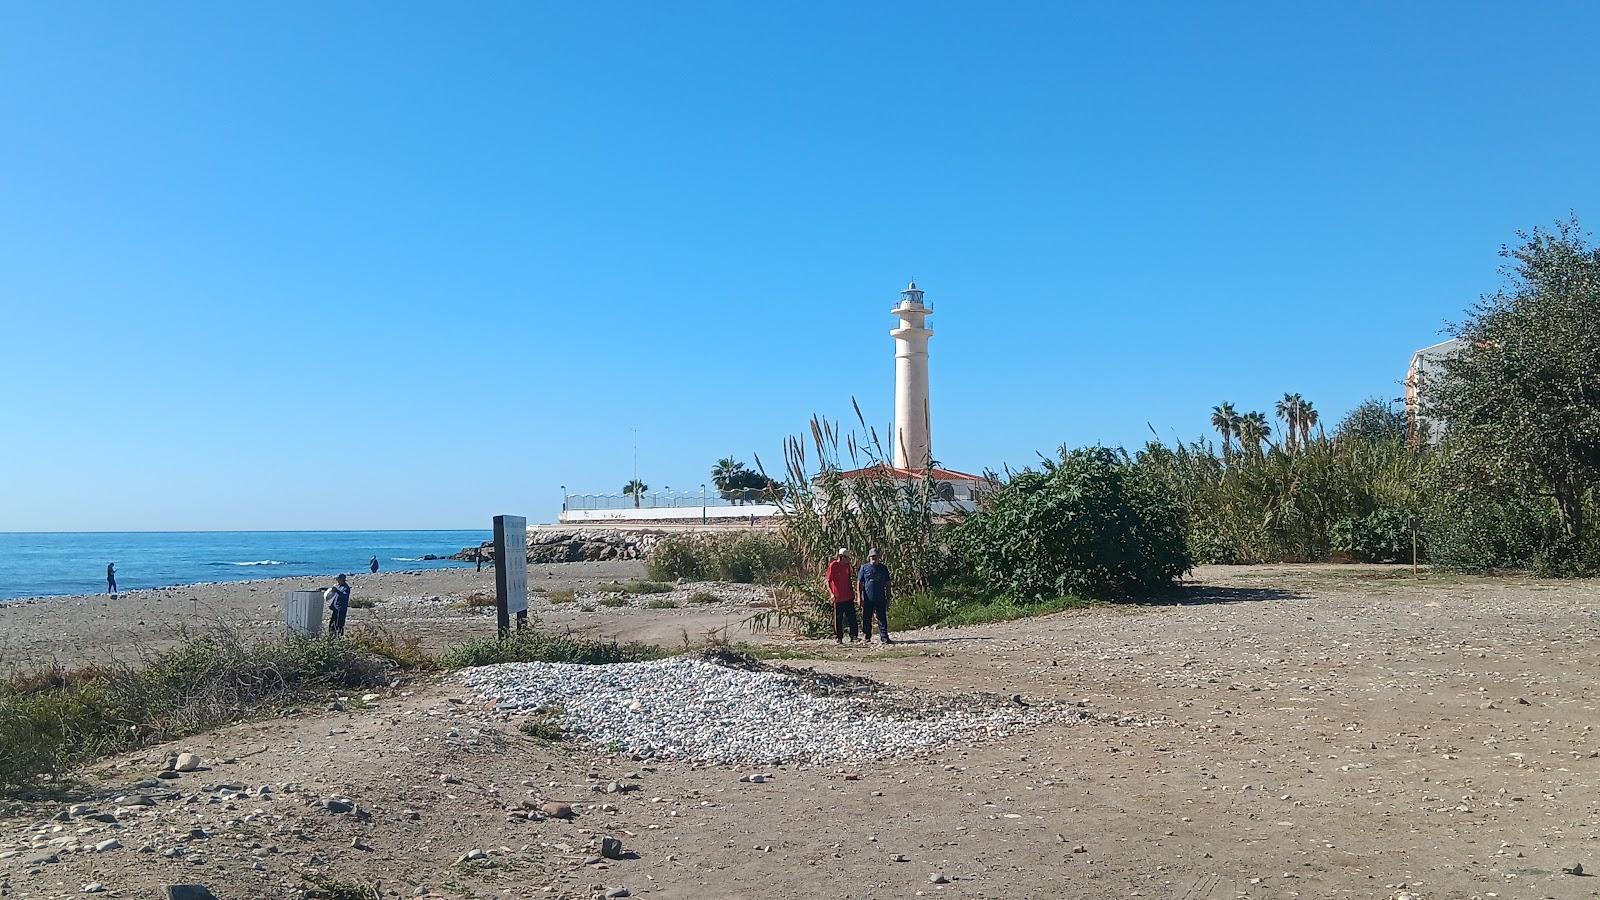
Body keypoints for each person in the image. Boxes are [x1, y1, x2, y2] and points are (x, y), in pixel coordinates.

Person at [858, 548, 893, 644]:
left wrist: (888, 595)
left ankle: (884, 637)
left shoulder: (883, 568)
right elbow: (860, 583)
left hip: (880, 597)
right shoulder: (864, 568)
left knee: (882, 617)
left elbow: (888, 582)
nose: (874, 558)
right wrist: (859, 597)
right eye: (872, 556)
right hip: (868, 598)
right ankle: (867, 636)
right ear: (869, 557)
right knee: (866, 617)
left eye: (876, 556)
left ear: (879, 557)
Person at [824, 548, 858, 644]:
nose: (849, 560)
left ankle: (854, 636)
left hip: (848, 596)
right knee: (839, 618)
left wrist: (853, 591)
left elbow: (849, 579)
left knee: (852, 616)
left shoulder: (847, 566)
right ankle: (839, 637)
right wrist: (831, 593)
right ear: (841, 557)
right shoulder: (833, 565)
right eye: (847, 557)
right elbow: (828, 581)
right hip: (838, 597)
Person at [326, 573, 352, 638]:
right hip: (335, 609)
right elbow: (335, 596)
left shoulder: (346, 588)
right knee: (332, 624)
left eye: (338, 579)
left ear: (342, 579)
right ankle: (331, 637)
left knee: (339, 625)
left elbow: (344, 596)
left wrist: (337, 590)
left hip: (341, 610)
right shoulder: (339, 586)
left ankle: (339, 638)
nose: (337, 581)